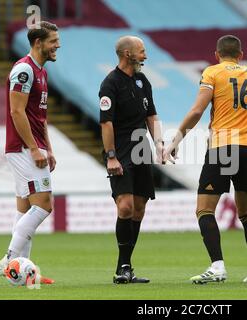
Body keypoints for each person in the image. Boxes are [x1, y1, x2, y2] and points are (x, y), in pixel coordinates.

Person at [164, 35, 247, 284]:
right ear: (240, 55)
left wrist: (176, 140)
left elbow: (198, 110)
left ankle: (218, 267)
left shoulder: (212, 73)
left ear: (216, 54)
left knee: (204, 210)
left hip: (223, 147)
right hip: (246, 149)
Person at [0, 21, 60, 284]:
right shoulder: (24, 70)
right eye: (53, 41)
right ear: (38, 43)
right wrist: (33, 148)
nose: (58, 45)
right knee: (44, 205)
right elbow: (16, 111)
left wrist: (48, 148)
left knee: (25, 209)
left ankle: (25, 270)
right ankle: (8, 261)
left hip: (33, 146)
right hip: (23, 147)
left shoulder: (41, 72)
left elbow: (39, 117)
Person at [99, 36, 164, 284]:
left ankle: (124, 267)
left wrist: (160, 145)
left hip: (141, 148)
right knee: (124, 206)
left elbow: (152, 115)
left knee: (139, 208)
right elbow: (106, 123)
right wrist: (111, 156)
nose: (145, 55)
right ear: (127, 54)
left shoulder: (142, 80)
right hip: (121, 150)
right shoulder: (110, 84)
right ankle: (124, 266)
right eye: (142, 51)